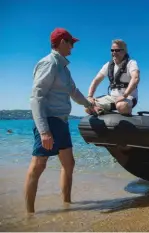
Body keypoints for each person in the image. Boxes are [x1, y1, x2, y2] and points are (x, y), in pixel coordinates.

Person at [25, 28, 99, 214]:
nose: (73, 47)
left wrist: (89, 105)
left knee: (69, 164)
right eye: (71, 43)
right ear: (62, 42)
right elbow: (36, 97)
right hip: (48, 121)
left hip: (62, 122)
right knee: (38, 167)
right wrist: (43, 131)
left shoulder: (64, 68)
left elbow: (74, 92)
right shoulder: (48, 64)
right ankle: (29, 214)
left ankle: (67, 205)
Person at [85, 39, 140, 115]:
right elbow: (96, 80)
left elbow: (135, 78)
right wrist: (90, 96)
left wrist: (124, 95)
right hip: (113, 98)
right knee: (88, 107)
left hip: (129, 97)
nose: (114, 52)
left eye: (117, 50)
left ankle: (126, 113)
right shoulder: (108, 65)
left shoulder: (131, 63)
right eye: (112, 50)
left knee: (121, 106)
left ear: (124, 51)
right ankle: (105, 113)